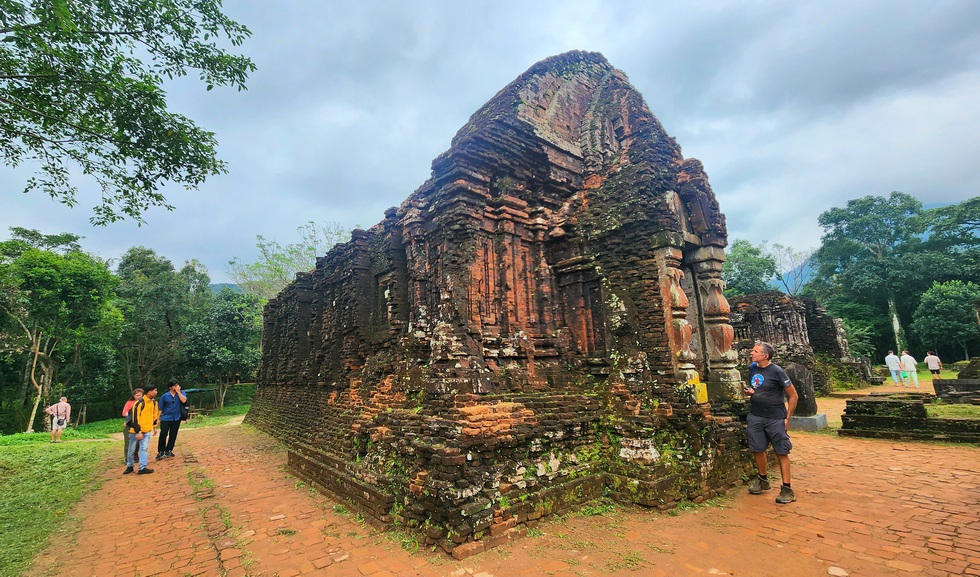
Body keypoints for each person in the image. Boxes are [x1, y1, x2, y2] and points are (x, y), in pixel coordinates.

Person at [743, 342, 800, 504]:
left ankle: (787, 488)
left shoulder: (777, 371)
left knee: (781, 451)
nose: (751, 352)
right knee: (757, 448)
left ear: (765, 356)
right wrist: (751, 392)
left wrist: (787, 418)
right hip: (756, 415)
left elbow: (793, 395)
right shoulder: (753, 368)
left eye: (755, 351)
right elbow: (758, 387)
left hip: (775, 417)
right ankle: (763, 480)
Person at [124, 385, 159, 475]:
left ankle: (142, 467)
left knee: (144, 448)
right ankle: (130, 466)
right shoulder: (139, 403)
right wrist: (138, 431)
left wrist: (154, 427)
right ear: (149, 392)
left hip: (147, 430)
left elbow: (154, 416)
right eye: (154, 390)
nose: (156, 392)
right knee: (131, 450)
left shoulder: (154, 403)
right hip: (135, 430)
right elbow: (135, 418)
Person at [156, 379, 187, 460]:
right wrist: (158, 418)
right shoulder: (165, 396)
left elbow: (184, 400)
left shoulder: (181, 393)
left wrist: (178, 392)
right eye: (174, 386)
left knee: (173, 434)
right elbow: (160, 408)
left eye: (177, 385)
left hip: (176, 417)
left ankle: (169, 450)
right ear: (170, 387)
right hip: (166, 417)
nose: (176, 387)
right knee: (163, 434)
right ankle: (161, 451)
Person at [122, 389, 143, 464]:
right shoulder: (129, 403)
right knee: (128, 442)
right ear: (133, 396)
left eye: (140, 395)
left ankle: (135, 455)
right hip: (130, 425)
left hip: (139, 425)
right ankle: (127, 458)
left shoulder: (143, 403)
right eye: (137, 395)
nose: (138, 397)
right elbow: (124, 413)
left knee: (138, 442)